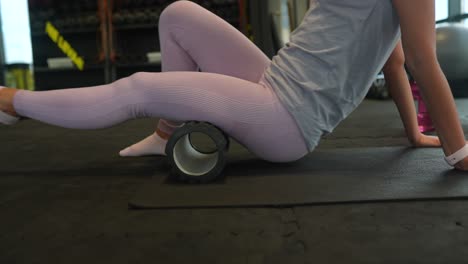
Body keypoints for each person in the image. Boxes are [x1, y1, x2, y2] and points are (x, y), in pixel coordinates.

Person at [0, 0, 467, 170]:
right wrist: (411, 134)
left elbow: (419, 58)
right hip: (274, 80)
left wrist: (457, 151)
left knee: (139, 87)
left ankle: (15, 103)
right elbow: (393, 54)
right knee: (178, 14)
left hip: (287, 120)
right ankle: (168, 133)